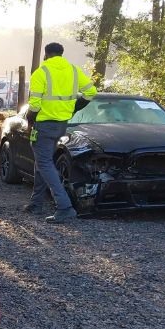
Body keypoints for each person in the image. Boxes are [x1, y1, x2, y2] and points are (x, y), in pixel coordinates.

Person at [25, 42, 97, 223]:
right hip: (61, 124)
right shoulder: (73, 70)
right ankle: (36, 203)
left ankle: (64, 207)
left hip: (44, 124)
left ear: (46, 54)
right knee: (43, 162)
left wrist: (30, 118)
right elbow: (91, 91)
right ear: (61, 54)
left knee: (44, 164)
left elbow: (34, 104)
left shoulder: (41, 72)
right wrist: (73, 108)